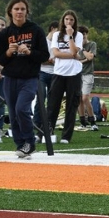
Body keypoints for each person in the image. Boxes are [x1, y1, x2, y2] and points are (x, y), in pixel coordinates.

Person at [0, 0, 50, 158]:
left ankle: (30, 142)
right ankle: (21, 145)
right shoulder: (5, 33)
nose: (19, 12)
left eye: (22, 9)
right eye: (16, 9)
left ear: (27, 12)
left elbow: (45, 55)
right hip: (10, 77)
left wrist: (29, 52)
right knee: (12, 114)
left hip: (29, 77)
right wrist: (8, 51)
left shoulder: (36, 30)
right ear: (10, 11)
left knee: (21, 109)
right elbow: (1, 59)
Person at [47, 10, 83, 144]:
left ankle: (66, 136)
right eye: (67, 19)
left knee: (71, 106)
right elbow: (56, 53)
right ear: (63, 21)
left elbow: (74, 50)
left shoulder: (78, 35)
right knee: (53, 104)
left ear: (75, 22)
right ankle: (48, 132)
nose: (69, 22)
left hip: (74, 73)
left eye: (71, 20)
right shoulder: (56, 35)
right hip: (59, 72)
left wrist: (70, 37)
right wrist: (73, 56)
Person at [34, 21, 58, 137]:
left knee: (52, 101)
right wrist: (49, 61)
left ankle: (48, 124)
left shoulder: (58, 42)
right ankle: (37, 123)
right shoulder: (43, 41)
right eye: (57, 31)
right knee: (40, 98)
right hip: (42, 72)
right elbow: (38, 58)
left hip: (55, 73)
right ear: (52, 29)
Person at [76, 25, 98, 130]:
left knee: (85, 97)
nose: (83, 38)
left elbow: (90, 57)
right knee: (78, 99)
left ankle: (92, 120)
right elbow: (76, 59)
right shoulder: (75, 46)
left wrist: (83, 50)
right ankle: (82, 121)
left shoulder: (92, 44)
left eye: (84, 35)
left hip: (88, 74)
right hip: (77, 74)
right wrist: (84, 59)